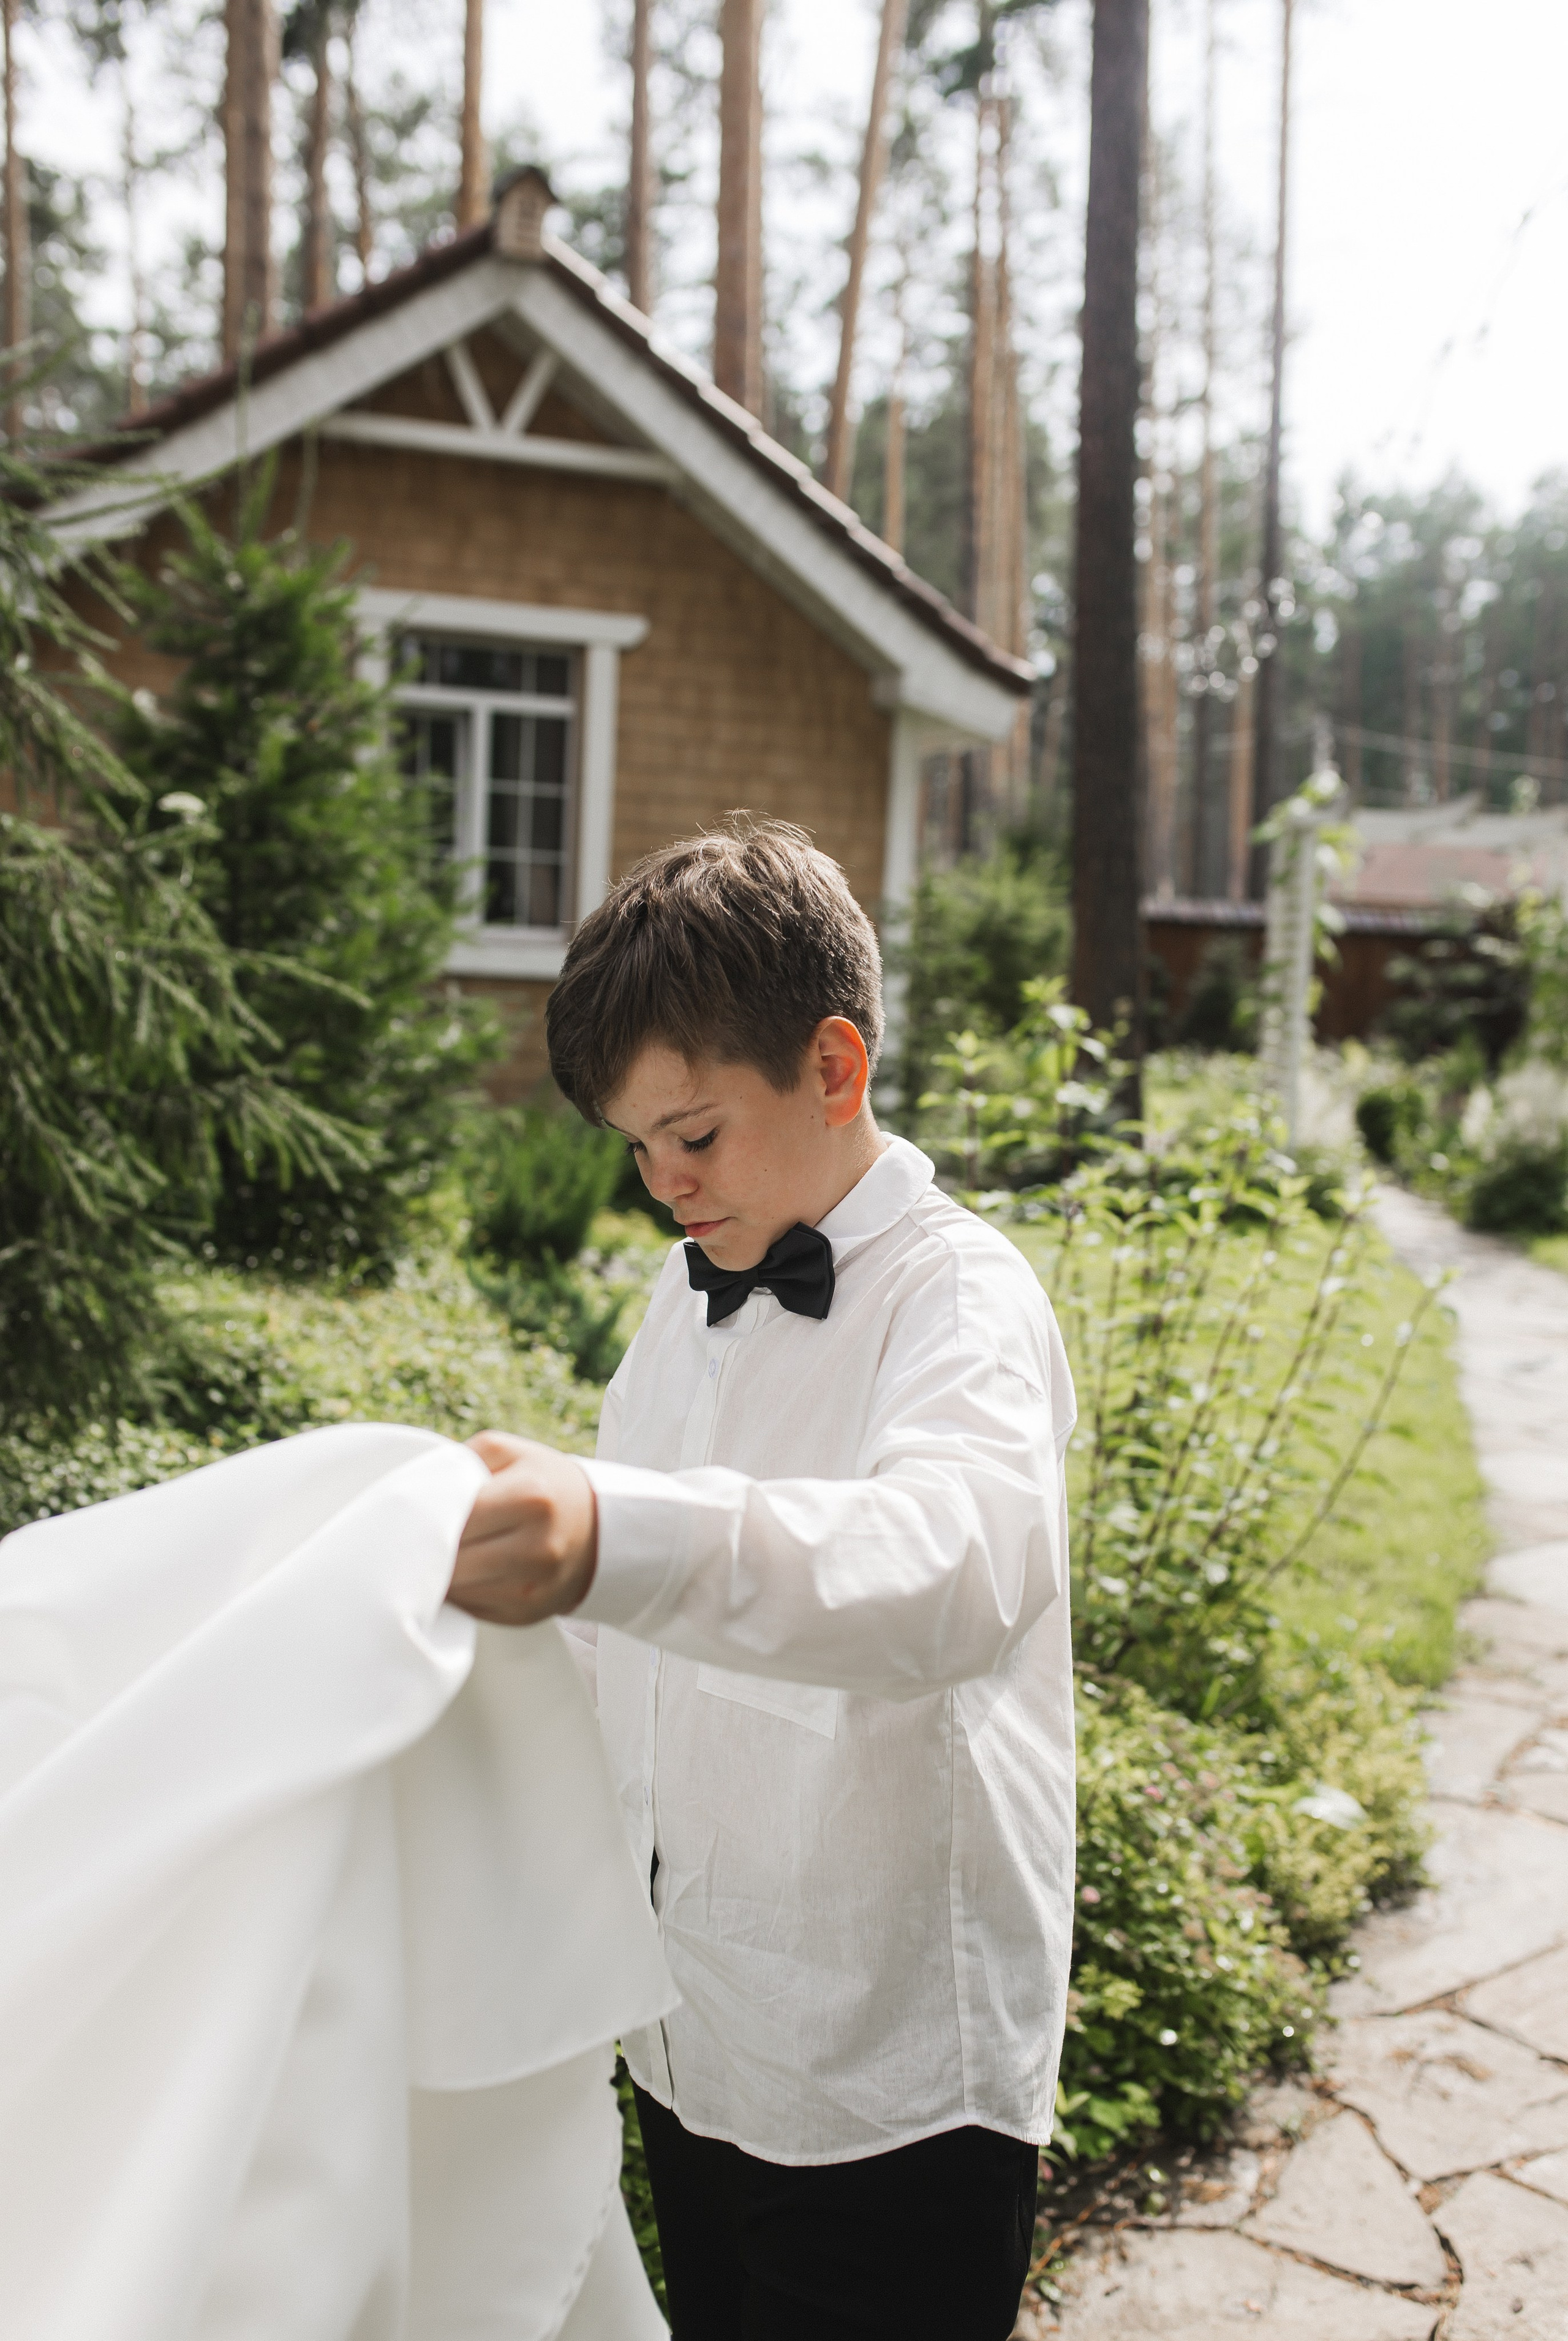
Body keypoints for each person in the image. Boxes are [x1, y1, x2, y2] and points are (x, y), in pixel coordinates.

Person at [448, 820, 1076, 2341]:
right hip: (690, 2033)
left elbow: (946, 1574)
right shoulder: (683, 1300)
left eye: (696, 1134)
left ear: (835, 1069)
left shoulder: (957, 1301)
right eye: (636, 1150)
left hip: (884, 2078)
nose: (662, 1185)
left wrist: (617, 1536)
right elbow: (627, 1657)